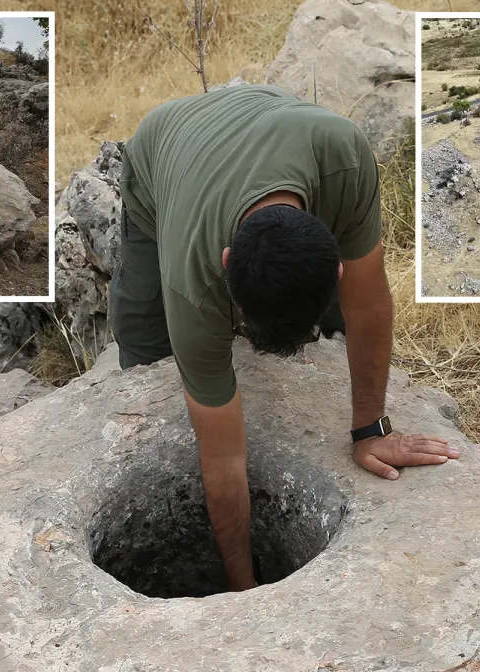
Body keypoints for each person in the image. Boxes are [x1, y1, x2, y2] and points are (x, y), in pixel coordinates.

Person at [113, 83, 461, 593]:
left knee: (342, 324)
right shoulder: (191, 282)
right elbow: (224, 454)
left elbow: (368, 301)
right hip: (164, 148)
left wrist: (372, 429)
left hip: (273, 121)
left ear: (336, 269)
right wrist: (246, 590)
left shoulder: (344, 155)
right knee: (148, 349)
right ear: (225, 266)